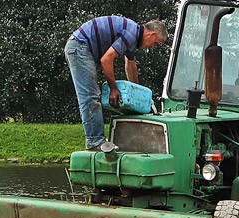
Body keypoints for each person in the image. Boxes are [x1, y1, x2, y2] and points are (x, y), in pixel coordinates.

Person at [64, 16, 168, 150]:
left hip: (81, 46)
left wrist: (139, 95)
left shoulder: (133, 36)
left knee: (92, 95)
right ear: (151, 34)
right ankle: (95, 141)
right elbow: (106, 59)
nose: (153, 47)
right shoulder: (130, 34)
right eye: (156, 43)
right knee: (90, 96)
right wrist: (114, 89)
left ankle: (97, 140)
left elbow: (131, 65)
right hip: (79, 46)